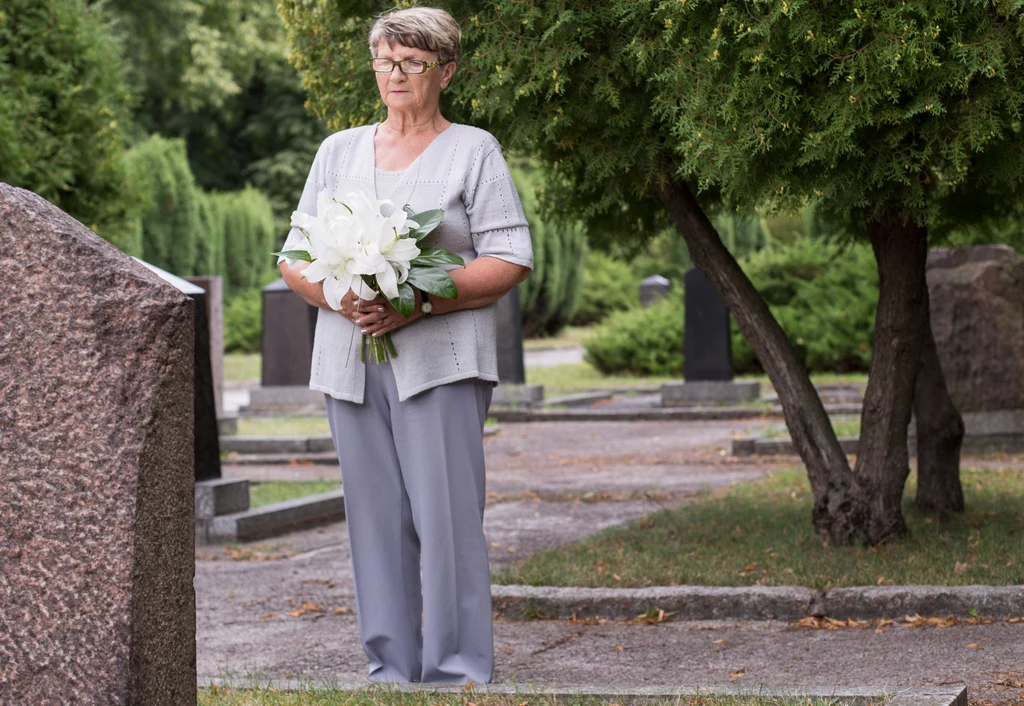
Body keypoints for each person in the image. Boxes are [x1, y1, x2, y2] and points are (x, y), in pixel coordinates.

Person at [277, 6, 533, 685]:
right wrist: (340, 296)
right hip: (348, 363)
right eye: (386, 60)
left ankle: (454, 670)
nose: (395, 74)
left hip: (440, 365)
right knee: (375, 522)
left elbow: (509, 258)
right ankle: (390, 671)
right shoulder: (337, 152)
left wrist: (414, 300)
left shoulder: (473, 150)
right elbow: (294, 255)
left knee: (447, 523)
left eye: (413, 63)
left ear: (445, 71)